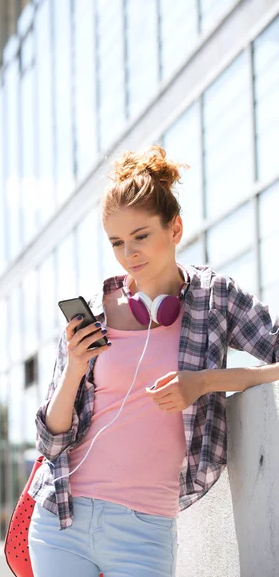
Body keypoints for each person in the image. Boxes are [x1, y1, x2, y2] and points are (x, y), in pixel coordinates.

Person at [27, 145, 279, 577]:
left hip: (146, 529)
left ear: (175, 228)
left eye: (141, 236)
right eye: (117, 243)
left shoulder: (215, 298)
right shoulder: (94, 312)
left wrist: (204, 382)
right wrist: (73, 366)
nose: (129, 254)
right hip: (62, 517)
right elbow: (50, 442)